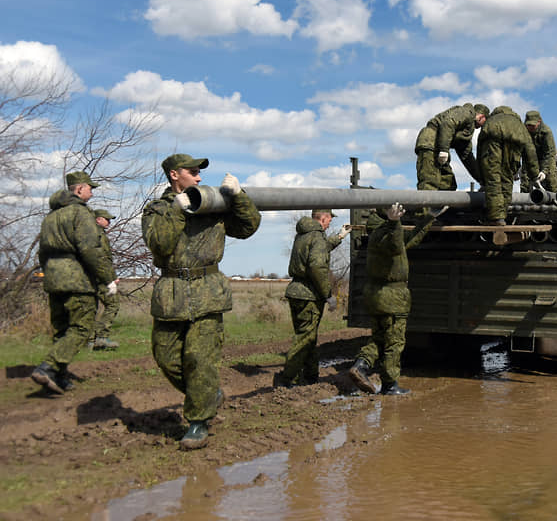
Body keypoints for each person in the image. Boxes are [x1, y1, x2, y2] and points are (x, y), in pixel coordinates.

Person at [141, 153, 261, 450]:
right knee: (166, 357)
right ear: (174, 175)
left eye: (199, 173)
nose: (199, 177)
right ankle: (208, 394)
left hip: (207, 291)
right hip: (172, 291)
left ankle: (198, 422)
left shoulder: (213, 205)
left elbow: (248, 227)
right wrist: (179, 211)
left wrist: (239, 196)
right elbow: (160, 244)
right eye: (193, 172)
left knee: (199, 360)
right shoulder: (157, 209)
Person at [31, 171, 117, 394]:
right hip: (77, 279)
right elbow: (90, 250)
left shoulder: (51, 216)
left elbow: (42, 253)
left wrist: (50, 273)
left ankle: (59, 378)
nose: (91, 191)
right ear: (79, 189)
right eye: (90, 187)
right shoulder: (80, 213)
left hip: (53, 279)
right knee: (81, 327)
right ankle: (48, 368)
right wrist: (107, 278)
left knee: (61, 330)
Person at [348, 203, 445, 395]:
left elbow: (409, 240)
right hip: (391, 297)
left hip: (379, 296)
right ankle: (390, 385)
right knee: (394, 342)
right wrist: (394, 223)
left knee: (380, 339)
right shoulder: (384, 233)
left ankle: (361, 366)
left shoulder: (380, 232)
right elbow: (394, 244)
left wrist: (429, 218)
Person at [275, 209, 352, 388]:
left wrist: (340, 236)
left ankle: (310, 376)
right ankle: (286, 379)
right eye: (329, 220)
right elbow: (317, 266)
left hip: (296, 291)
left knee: (308, 337)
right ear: (323, 217)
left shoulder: (303, 235)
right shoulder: (316, 237)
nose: (330, 223)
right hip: (309, 295)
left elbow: (321, 249)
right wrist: (327, 295)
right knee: (305, 338)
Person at [476, 106, 544, 225]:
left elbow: (479, 147)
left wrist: (481, 176)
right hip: (514, 149)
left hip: (492, 144)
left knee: (493, 179)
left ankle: (496, 218)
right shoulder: (519, 125)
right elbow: (530, 151)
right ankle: (503, 215)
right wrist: (534, 175)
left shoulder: (492, 121)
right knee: (507, 180)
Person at [415, 103, 490, 190]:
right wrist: (444, 149)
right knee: (429, 181)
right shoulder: (467, 113)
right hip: (431, 143)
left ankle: (445, 203)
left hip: (440, 148)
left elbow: (467, 158)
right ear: (481, 117)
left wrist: (482, 181)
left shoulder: (466, 130)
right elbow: (448, 123)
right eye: (485, 122)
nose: (481, 127)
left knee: (448, 183)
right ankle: (427, 203)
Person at [91, 209, 120, 350]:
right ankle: (101, 337)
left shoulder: (94, 233)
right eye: (106, 219)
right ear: (98, 219)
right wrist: (110, 279)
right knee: (113, 304)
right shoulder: (97, 235)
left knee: (92, 307)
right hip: (100, 277)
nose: (109, 222)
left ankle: (90, 340)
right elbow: (102, 259)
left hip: (95, 277)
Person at [520, 110, 557, 193]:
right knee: (525, 181)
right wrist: (516, 168)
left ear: (539, 122)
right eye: (528, 125)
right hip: (530, 158)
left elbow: (549, 154)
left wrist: (544, 172)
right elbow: (519, 150)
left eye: (533, 125)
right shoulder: (523, 131)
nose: (530, 127)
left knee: (551, 180)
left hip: (545, 158)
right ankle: (525, 201)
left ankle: (553, 200)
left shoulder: (546, 132)